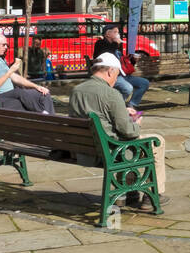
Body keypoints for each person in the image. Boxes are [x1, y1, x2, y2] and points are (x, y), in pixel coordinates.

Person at [70, 52, 166, 211]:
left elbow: (98, 115)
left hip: (85, 151)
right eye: (116, 74)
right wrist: (137, 123)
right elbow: (129, 132)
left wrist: (122, 110)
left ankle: (126, 194)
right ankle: (153, 195)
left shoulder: (76, 91)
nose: (116, 79)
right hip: (110, 152)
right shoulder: (111, 93)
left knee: (122, 142)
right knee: (156, 142)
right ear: (109, 71)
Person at [0, 33, 55, 113]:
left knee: (44, 94)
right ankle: (42, 113)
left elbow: (15, 77)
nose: (6, 47)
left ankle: (51, 121)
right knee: (19, 93)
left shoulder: (1, 60)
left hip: (13, 94)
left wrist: (36, 86)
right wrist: (10, 71)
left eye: (7, 45)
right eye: (3, 45)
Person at [93, 25, 150, 109]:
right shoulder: (100, 43)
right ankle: (115, 106)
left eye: (118, 32)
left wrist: (133, 60)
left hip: (122, 75)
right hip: (109, 75)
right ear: (108, 34)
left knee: (144, 83)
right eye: (115, 32)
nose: (118, 34)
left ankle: (132, 105)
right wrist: (116, 43)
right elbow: (107, 54)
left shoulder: (115, 46)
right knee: (127, 88)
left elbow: (122, 64)